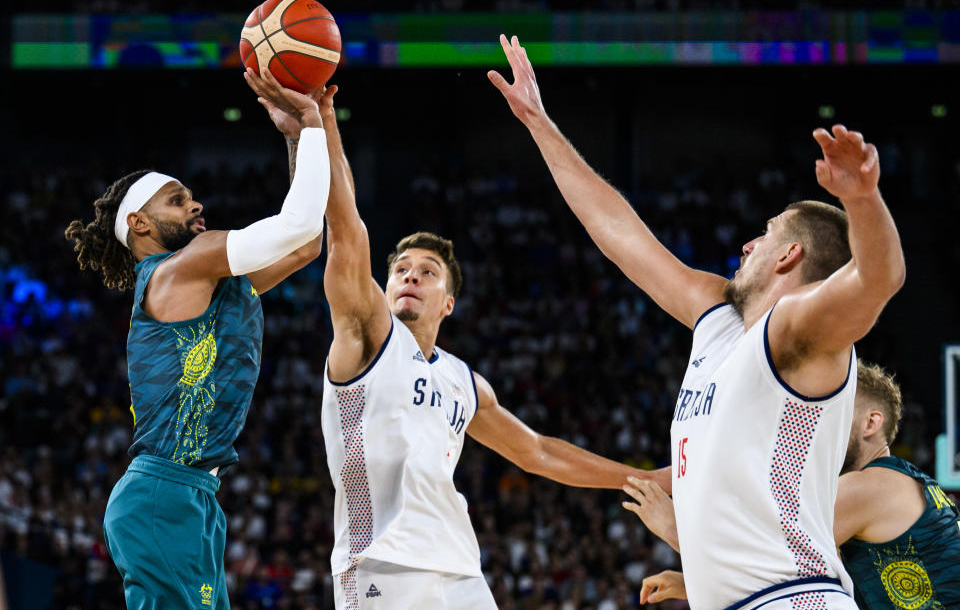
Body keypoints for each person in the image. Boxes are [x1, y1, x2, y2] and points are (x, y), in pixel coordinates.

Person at [489, 34, 906, 609]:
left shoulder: (797, 329)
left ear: (789, 257)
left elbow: (880, 279)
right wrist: (539, 122)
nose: (747, 243)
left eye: (765, 235)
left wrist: (864, 201)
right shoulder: (718, 316)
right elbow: (620, 235)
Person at [315, 86, 671, 610]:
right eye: (400, 271)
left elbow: (539, 452)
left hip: (460, 570)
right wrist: (322, 119)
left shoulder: (464, 380)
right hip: (381, 566)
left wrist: (638, 476)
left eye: (427, 273)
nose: (410, 276)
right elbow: (346, 233)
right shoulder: (366, 338)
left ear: (448, 304)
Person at [64, 68, 331, 610]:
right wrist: (311, 124)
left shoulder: (206, 277)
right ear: (139, 223)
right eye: (177, 200)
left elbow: (306, 247)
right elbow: (298, 226)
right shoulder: (179, 268)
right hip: (164, 492)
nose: (195, 206)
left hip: (192, 494)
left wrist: (295, 139)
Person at [625, 361, 960, 609]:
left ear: (872, 423)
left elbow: (766, 562)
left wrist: (673, 528)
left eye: (836, 410)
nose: (819, 422)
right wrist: (693, 584)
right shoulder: (899, 480)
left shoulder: (868, 488)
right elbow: (796, 579)